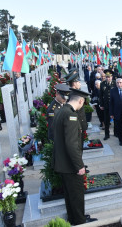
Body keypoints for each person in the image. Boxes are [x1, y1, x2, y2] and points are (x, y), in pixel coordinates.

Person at [52, 88, 97, 225]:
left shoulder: (61, 110)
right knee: (77, 195)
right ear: (81, 101)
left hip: (62, 163)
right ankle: (80, 221)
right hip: (70, 165)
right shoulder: (71, 115)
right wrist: (79, 166)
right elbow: (71, 144)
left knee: (69, 195)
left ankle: (73, 219)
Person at [99, 71, 115, 140]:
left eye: (109, 77)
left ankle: (116, 133)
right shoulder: (102, 83)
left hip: (114, 105)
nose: (108, 78)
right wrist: (101, 104)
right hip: (106, 105)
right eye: (107, 77)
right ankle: (107, 134)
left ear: (112, 77)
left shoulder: (115, 83)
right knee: (106, 120)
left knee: (116, 120)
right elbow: (100, 95)